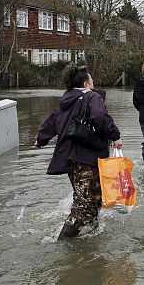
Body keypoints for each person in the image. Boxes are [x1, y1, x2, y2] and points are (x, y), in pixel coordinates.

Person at [34, 65, 122, 240]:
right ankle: (62, 241)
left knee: (91, 196)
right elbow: (99, 116)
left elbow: (52, 120)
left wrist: (40, 139)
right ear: (85, 84)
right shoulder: (92, 97)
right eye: (92, 81)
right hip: (87, 157)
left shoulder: (66, 101)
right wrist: (115, 135)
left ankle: (93, 233)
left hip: (69, 158)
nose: (93, 84)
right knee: (86, 203)